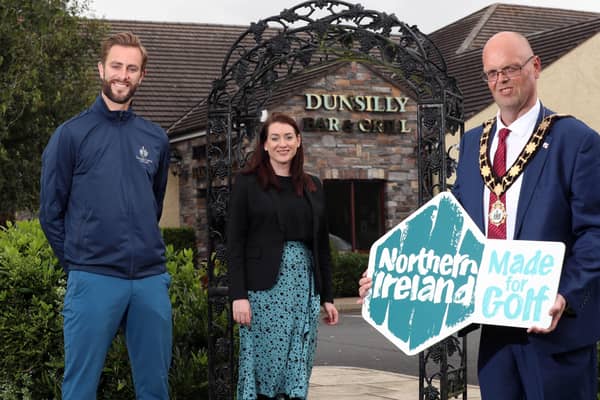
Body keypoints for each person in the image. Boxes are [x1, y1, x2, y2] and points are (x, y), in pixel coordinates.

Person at [359, 31, 600, 399]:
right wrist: (388, 276)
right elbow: (451, 228)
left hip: (554, 329)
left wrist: (565, 296)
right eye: (491, 73)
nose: (500, 80)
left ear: (535, 67)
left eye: (510, 69)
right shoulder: (474, 143)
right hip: (495, 330)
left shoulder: (575, 140)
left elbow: (594, 233)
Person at [39, 32, 172, 399]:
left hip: (149, 281)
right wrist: (81, 265)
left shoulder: (156, 138)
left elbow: (153, 204)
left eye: (132, 68)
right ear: (101, 69)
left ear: (141, 76)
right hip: (93, 278)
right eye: (116, 65)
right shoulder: (71, 135)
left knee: (155, 387)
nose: (123, 75)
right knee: (80, 388)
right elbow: (50, 214)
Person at [227, 112, 339, 400]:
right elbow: (235, 243)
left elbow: (322, 247)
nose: (282, 144)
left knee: (298, 362)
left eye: (288, 137)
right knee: (265, 365)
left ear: (299, 141)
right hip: (263, 291)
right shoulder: (247, 183)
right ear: (264, 144)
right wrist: (238, 295)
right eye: (274, 138)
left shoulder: (314, 185)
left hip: (305, 288)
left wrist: (327, 297)